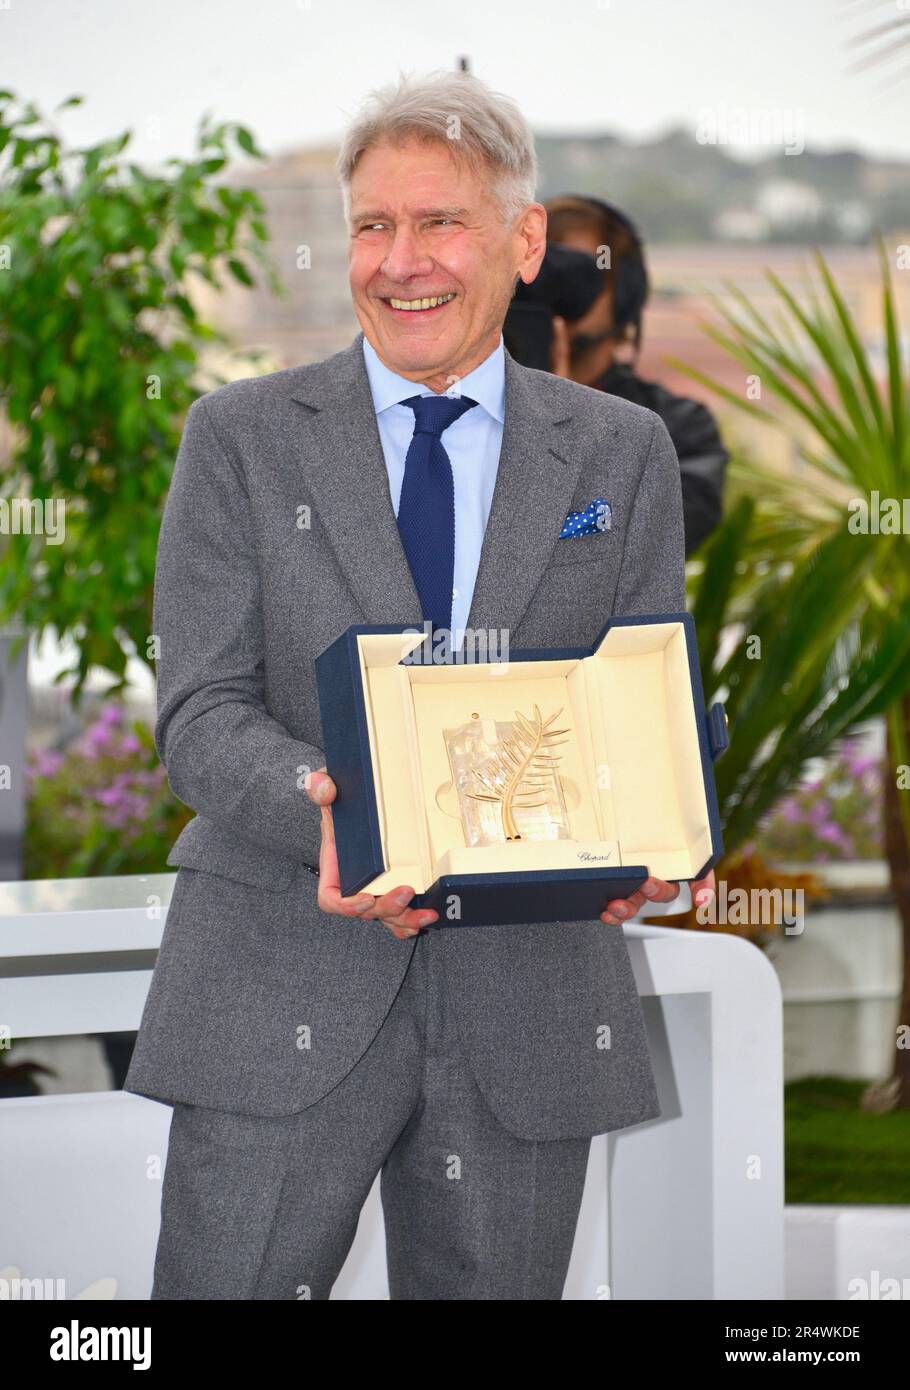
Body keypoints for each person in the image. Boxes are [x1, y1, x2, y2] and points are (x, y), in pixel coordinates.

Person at [124, 69, 715, 1301]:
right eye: (372, 226)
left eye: (438, 221)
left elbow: (636, 695)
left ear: (521, 237)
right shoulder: (240, 437)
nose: (401, 262)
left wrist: (649, 835)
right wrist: (331, 814)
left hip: (530, 999)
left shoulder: (622, 453)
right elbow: (199, 712)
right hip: (282, 970)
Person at [543, 195, 729, 555]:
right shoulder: (464, 407)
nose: (561, 294)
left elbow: (654, 537)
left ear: (626, 295)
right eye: (545, 273)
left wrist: (560, 413)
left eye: (583, 275)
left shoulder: (681, 429)